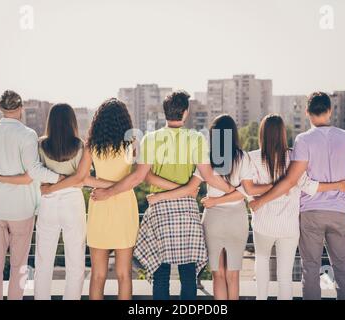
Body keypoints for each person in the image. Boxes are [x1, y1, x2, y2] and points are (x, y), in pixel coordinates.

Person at [90, 91, 235, 300]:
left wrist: (108, 192)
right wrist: (232, 190)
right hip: (186, 209)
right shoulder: (196, 138)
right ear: (185, 113)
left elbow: (143, 176)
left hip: (159, 210)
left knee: (160, 274)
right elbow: (209, 177)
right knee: (188, 275)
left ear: (164, 112)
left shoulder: (150, 139)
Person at [250, 93, 345, 300]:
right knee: (343, 268)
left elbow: (290, 180)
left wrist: (261, 200)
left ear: (307, 113)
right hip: (339, 213)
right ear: (330, 111)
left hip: (310, 214)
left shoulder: (303, 140)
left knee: (310, 269)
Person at [147, 114, 271, 300]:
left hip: (213, 220)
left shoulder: (207, 158)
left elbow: (190, 189)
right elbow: (246, 191)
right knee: (233, 275)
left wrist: (159, 196)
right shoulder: (243, 157)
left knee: (218, 275)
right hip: (237, 220)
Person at [0, 103, 103, 300]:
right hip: (73, 203)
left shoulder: (40, 144)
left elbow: (33, 173)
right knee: (75, 262)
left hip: (47, 201)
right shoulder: (80, 146)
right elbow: (81, 179)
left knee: (43, 262)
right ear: (72, 121)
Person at [40, 98, 139, 300]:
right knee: (124, 274)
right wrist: (114, 186)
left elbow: (81, 178)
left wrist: (52, 188)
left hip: (99, 208)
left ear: (99, 120)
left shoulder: (92, 145)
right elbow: (135, 178)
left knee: (97, 275)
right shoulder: (132, 144)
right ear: (124, 120)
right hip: (125, 207)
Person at [0, 90, 61, 300]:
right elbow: (33, 174)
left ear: (1, 109)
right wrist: (63, 178)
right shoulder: (27, 135)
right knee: (19, 266)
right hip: (22, 210)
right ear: (20, 109)